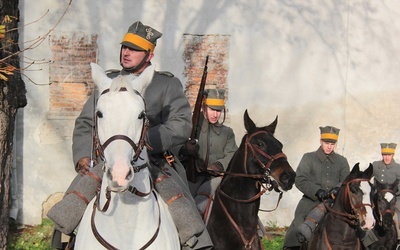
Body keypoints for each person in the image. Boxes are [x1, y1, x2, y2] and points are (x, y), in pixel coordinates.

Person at [48, 21, 212, 250]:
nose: (126, 52)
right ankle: (62, 243)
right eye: (124, 47)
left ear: (149, 54)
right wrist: (83, 156)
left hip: (155, 161)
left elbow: (181, 124)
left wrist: (141, 143)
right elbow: (87, 121)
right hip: (108, 159)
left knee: (187, 216)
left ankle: (196, 244)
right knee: (67, 212)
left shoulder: (166, 83)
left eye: (134, 49)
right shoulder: (107, 81)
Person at [283, 126, 350, 250]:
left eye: (332, 144)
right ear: (320, 141)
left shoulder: (342, 161)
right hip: (310, 201)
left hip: (335, 202)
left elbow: (346, 181)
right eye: (326, 143)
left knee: (357, 225)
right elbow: (300, 179)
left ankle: (370, 244)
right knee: (298, 229)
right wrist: (316, 191)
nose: (329, 146)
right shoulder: (308, 158)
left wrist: (337, 189)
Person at [178, 88, 238, 218]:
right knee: (186, 209)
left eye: (218, 111)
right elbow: (174, 147)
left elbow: (233, 154)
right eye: (212, 109)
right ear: (203, 107)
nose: (215, 114)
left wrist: (220, 165)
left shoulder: (227, 133)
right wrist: (184, 150)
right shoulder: (191, 127)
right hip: (192, 179)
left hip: (216, 179)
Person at [363, 143, 400, 247]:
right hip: (378, 198)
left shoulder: (398, 168)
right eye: (385, 155)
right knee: (366, 212)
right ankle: (364, 239)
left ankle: (398, 239)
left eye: (389, 155)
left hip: (394, 198)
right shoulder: (376, 165)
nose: (387, 157)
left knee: (397, 216)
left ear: (393, 155)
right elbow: (366, 178)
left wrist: (393, 192)